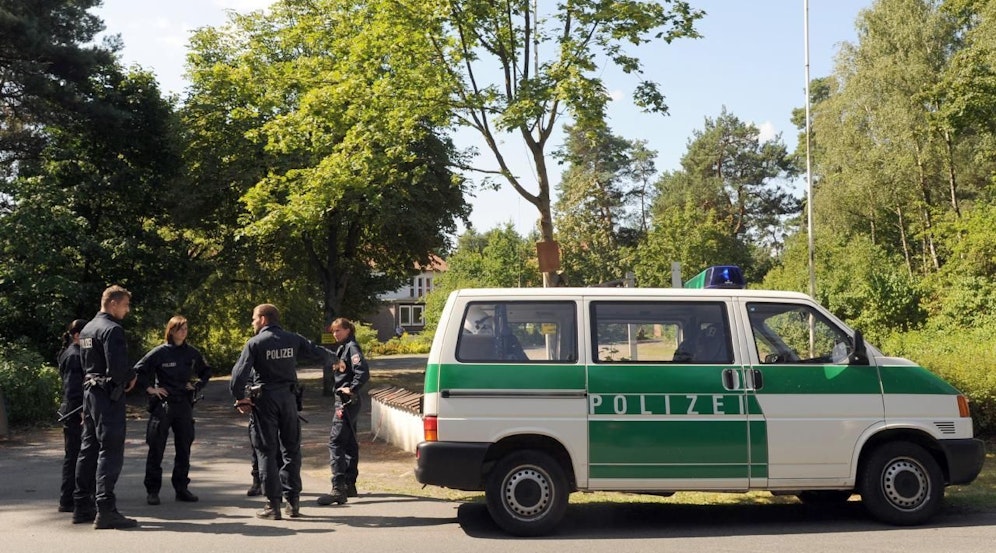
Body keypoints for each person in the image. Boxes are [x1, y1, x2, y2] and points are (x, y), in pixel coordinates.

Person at [230, 303, 333, 520]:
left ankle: (272, 506)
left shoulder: (255, 343)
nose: (252, 322)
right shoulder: (293, 339)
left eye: (254, 318)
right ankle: (293, 503)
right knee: (291, 450)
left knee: (266, 451)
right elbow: (317, 352)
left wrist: (240, 397)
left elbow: (238, 376)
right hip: (289, 400)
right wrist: (337, 359)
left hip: (265, 400)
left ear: (264, 319)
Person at [72, 285, 139, 529]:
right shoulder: (112, 329)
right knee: (110, 450)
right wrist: (131, 375)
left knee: (88, 448)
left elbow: (84, 364)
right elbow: (118, 369)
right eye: (125, 305)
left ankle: (81, 505)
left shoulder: (88, 328)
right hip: (107, 395)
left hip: (89, 392)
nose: (127, 310)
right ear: (113, 303)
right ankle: (106, 509)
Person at [134, 315, 212, 506]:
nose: (184, 332)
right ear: (171, 331)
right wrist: (150, 389)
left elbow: (206, 371)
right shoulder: (160, 352)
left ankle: (181, 488)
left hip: (184, 405)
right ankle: (153, 491)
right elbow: (138, 370)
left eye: (186, 328)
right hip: (163, 405)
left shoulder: (192, 353)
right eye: (180, 329)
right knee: (156, 448)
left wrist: (197, 385)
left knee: (184, 447)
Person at [317, 317, 369, 506]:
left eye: (338, 330)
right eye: (333, 331)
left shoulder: (351, 348)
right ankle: (349, 484)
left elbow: (362, 371)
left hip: (347, 402)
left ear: (348, 330)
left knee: (336, 442)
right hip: (346, 401)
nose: (335, 334)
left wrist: (352, 388)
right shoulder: (343, 348)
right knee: (348, 443)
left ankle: (338, 488)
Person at [57, 319, 87, 513]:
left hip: (73, 410)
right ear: (77, 335)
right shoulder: (75, 356)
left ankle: (71, 496)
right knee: (74, 455)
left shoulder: (70, 353)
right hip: (76, 411)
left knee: (74, 454)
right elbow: (73, 388)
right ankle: (67, 499)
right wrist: (81, 409)